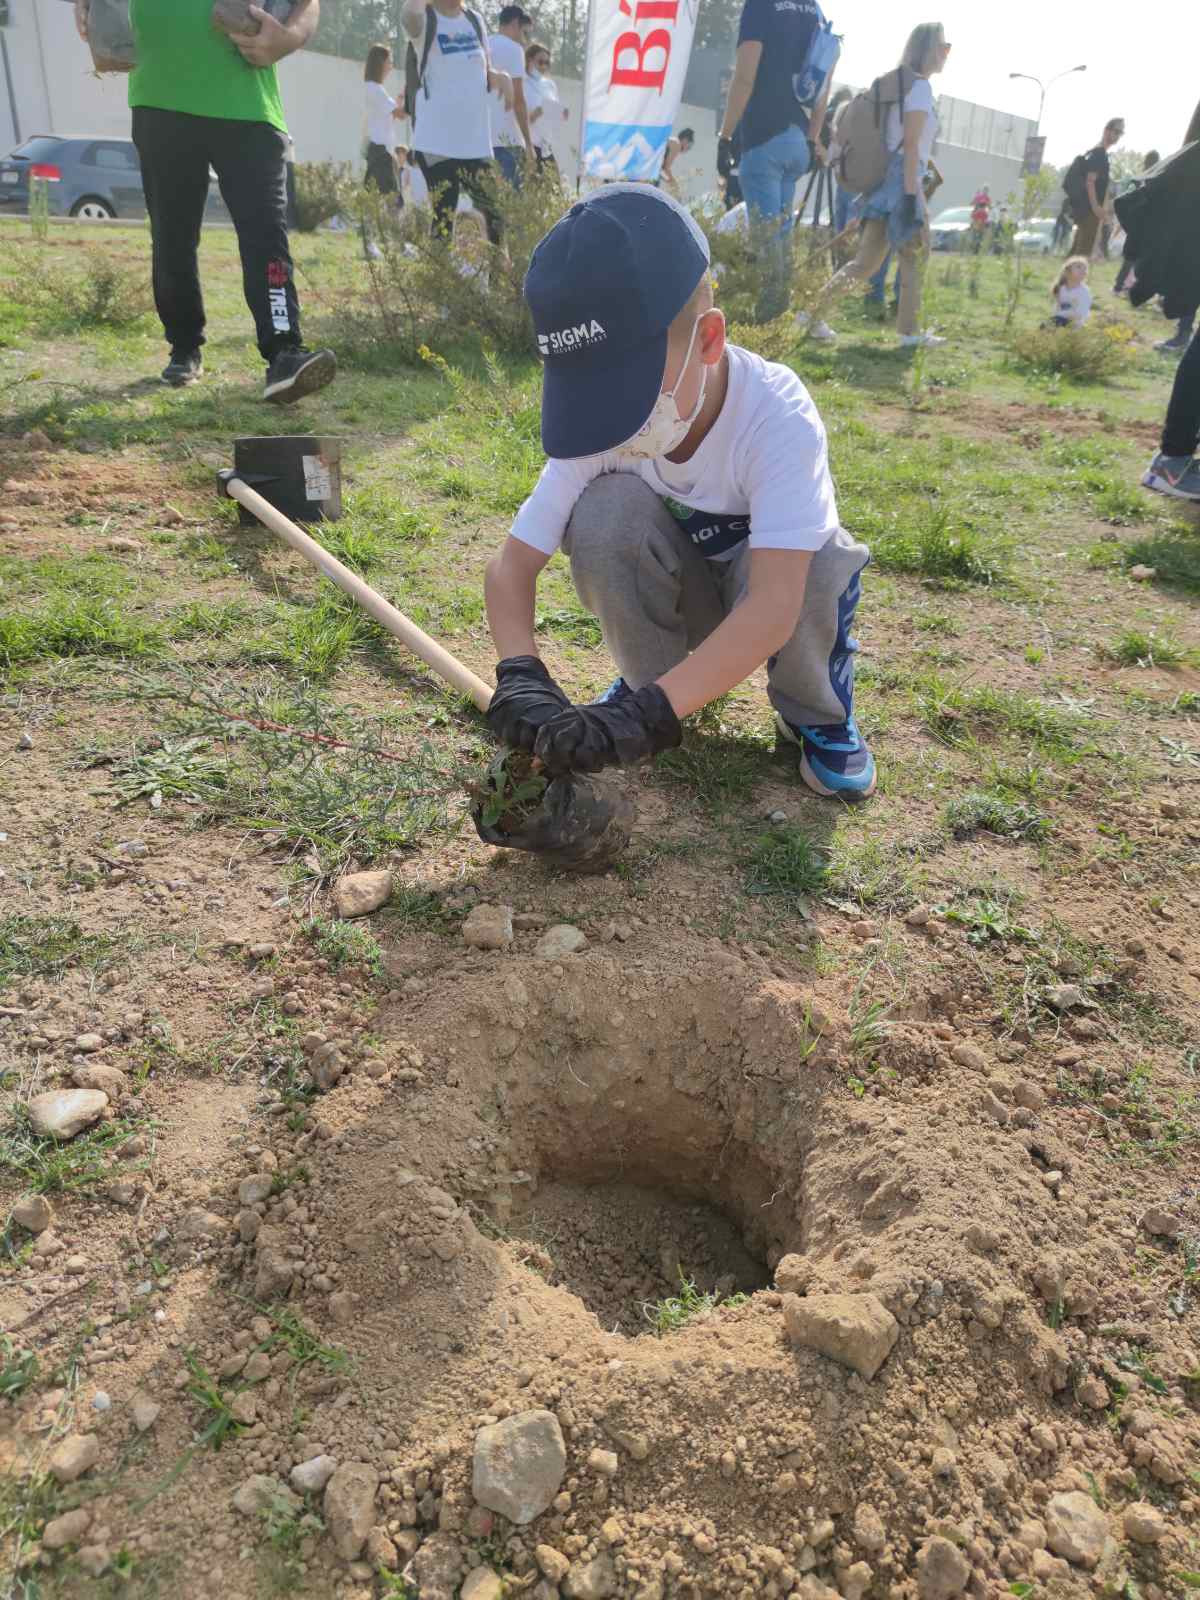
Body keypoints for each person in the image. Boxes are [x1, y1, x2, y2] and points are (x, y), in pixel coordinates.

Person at [483, 185, 876, 804]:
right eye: (590, 391)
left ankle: (815, 717)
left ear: (710, 341)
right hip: (691, 594)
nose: (610, 416)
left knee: (820, 555)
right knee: (603, 516)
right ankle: (655, 687)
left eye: (627, 386)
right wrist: (520, 671)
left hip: (773, 595)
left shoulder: (775, 415)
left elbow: (773, 606)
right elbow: (511, 567)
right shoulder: (600, 427)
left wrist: (644, 719)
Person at [73, 0, 335, 402]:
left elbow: (307, 4)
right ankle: (183, 345)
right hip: (161, 98)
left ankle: (285, 352)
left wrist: (291, 36)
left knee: (267, 237)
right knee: (172, 235)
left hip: (249, 104)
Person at [806, 21, 951, 348]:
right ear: (928, 49)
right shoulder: (920, 89)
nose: (946, 53)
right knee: (915, 257)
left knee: (865, 262)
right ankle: (909, 334)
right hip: (904, 182)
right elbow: (912, 145)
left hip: (885, 184)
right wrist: (914, 195)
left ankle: (811, 315)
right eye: (943, 46)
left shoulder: (896, 85)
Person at [717, 0, 834, 321]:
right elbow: (823, 85)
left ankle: (768, 315)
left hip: (764, 136)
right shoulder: (814, 10)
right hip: (798, 137)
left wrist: (725, 137)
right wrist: (812, 138)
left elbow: (744, 78)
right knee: (780, 235)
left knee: (767, 237)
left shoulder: (760, 5)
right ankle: (778, 310)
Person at [402, 0, 509, 244]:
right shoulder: (425, 19)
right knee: (444, 216)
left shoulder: (475, 20)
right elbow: (409, 15)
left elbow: (484, 71)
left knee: (495, 218)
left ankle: (498, 280)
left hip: (475, 142)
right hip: (437, 141)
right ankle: (438, 280)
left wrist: (500, 78)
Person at [488, 4, 536, 187]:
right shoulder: (515, 50)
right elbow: (518, 100)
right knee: (509, 209)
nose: (525, 39)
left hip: (481, 141)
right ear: (516, 24)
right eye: (525, 32)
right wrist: (529, 143)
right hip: (506, 141)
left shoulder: (484, 43)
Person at [1067, 116, 1124, 259]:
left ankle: (1065, 280)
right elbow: (1090, 182)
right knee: (1082, 254)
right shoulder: (1099, 154)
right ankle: (1069, 280)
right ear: (1106, 130)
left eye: (1120, 133)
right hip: (1089, 211)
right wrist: (1096, 207)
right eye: (1116, 131)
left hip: (1086, 209)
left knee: (1076, 253)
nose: (1117, 136)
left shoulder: (1096, 152)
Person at [1114, 149, 1160, 294]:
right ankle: (1134, 289)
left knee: (1130, 258)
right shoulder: (1158, 180)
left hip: (1137, 225)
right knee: (1143, 261)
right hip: (1150, 226)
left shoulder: (1139, 180)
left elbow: (1126, 201)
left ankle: (1119, 286)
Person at [524, 41, 568, 173]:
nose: (544, 66)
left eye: (547, 63)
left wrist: (561, 113)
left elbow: (556, 118)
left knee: (555, 191)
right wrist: (536, 113)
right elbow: (517, 118)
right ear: (529, 60)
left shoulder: (550, 85)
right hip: (529, 147)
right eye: (540, 62)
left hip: (546, 147)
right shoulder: (521, 82)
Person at [1050, 256, 1091, 326]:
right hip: (1059, 319)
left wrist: (1061, 316)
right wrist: (1056, 316)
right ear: (1067, 271)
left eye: (1085, 268)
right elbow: (1058, 307)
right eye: (1078, 267)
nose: (1083, 270)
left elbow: (1082, 312)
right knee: (1046, 325)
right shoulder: (1061, 288)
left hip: (1074, 322)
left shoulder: (1084, 291)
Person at [660, 128, 695, 193]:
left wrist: (668, 180)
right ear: (685, 140)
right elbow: (666, 168)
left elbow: (659, 170)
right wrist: (675, 183)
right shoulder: (676, 144)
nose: (687, 150)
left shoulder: (673, 141)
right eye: (689, 147)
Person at [970, 183, 990, 251]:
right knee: (975, 231)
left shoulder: (987, 198)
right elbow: (972, 203)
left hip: (982, 217)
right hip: (977, 215)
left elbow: (989, 206)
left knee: (981, 232)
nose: (986, 191)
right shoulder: (979, 196)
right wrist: (977, 206)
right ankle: (974, 244)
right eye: (985, 189)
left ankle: (979, 244)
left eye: (987, 189)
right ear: (983, 189)